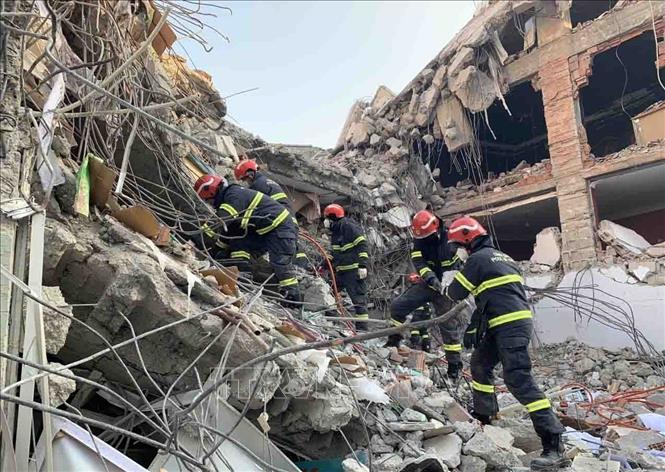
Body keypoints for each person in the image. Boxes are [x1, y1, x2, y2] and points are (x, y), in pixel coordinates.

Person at [444, 215, 568, 470]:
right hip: (503, 324)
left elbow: (455, 292)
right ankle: (485, 416)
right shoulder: (503, 258)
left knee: (518, 379)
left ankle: (554, 443)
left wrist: (446, 281)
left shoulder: (478, 260)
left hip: (508, 325)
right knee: (480, 364)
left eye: (457, 246)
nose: (457, 252)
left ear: (467, 241)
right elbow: (494, 294)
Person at [194, 174, 301, 306]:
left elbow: (220, 221)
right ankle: (243, 275)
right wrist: (217, 251)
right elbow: (231, 230)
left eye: (208, 200)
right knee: (239, 244)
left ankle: (293, 298)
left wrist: (196, 239)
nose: (209, 203)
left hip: (281, 227)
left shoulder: (234, 195)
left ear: (211, 192)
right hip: (262, 231)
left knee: (280, 262)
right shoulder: (232, 197)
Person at [386, 210, 464, 379]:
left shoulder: (451, 237)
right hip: (428, 284)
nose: (424, 239)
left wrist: (450, 283)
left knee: (449, 326)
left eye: (427, 236)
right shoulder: (419, 238)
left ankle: (454, 365)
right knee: (398, 307)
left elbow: (460, 264)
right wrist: (431, 278)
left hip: (448, 287)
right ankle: (393, 341)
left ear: (436, 227)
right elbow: (419, 261)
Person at [234, 159, 309, 268]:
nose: (245, 182)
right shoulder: (266, 182)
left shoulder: (257, 185)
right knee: (290, 248)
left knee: (254, 241)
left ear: (250, 174)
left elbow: (253, 209)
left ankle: (247, 267)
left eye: (244, 179)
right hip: (288, 221)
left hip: (280, 221)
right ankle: (301, 270)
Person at [322, 204, 369, 331]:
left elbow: (362, 245)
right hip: (341, 272)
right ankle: (331, 322)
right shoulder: (336, 232)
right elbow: (335, 254)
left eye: (327, 218)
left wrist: (363, 265)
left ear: (333, 217)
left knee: (358, 301)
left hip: (353, 272)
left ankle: (362, 331)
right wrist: (324, 265)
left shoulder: (348, 226)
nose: (325, 221)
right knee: (329, 292)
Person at [405, 273, 432, 352]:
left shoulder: (413, 290)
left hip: (418, 312)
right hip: (427, 312)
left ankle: (415, 346)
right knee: (424, 330)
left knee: (415, 329)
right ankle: (426, 348)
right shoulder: (424, 288)